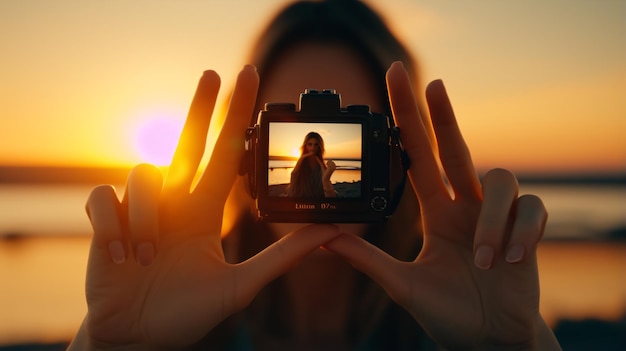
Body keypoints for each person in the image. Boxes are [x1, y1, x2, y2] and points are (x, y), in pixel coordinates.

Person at [68, 1, 562, 350]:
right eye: (295, 126)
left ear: (400, 152)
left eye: (356, 126)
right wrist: (109, 345)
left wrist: (519, 345)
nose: (313, 137)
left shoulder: (451, 312)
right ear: (243, 152)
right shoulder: (180, 309)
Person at [286, 131, 337, 198]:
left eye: (316, 145)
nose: (313, 148)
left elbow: (327, 192)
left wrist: (326, 178)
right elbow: (292, 188)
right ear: (305, 146)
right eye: (310, 144)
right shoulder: (301, 166)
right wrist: (301, 159)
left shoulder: (321, 167)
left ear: (320, 147)